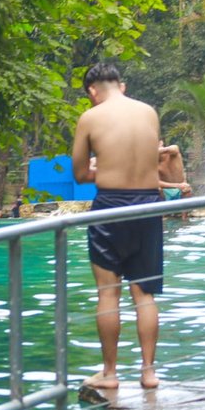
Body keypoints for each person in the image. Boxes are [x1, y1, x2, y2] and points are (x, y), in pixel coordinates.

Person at [72, 63, 163, 390]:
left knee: (108, 295)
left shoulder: (90, 118)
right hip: (149, 206)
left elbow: (80, 175)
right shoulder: (149, 112)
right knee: (145, 294)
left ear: (92, 91)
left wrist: (101, 166)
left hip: (110, 207)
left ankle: (110, 374)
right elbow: (150, 161)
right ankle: (149, 372)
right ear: (120, 86)